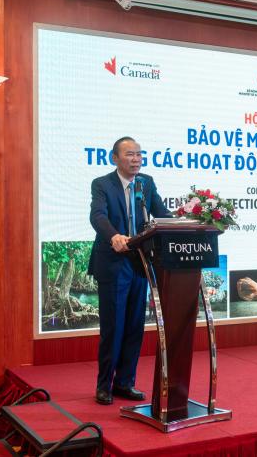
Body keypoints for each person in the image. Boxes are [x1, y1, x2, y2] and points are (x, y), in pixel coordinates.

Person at [87, 136, 171, 405]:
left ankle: (125, 382)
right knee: (113, 327)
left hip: (140, 262)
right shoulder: (102, 184)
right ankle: (104, 385)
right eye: (130, 154)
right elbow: (97, 216)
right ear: (115, 158)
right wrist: (114, 235)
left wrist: (188, 221)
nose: (136, 159)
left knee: (135, 326)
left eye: (139, 154)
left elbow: (161, 214)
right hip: (113, 262)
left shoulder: (146, 183)